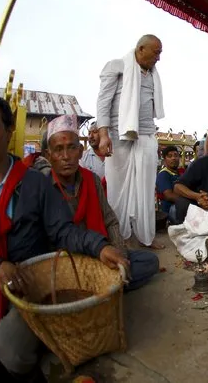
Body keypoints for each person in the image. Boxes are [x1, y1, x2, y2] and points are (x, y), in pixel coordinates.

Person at [0, 96, 128, 381]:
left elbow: (63, 231)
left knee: (9, 351)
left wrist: (101, 248)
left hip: (33, 285)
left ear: (9, 131)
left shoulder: (35, 183)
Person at [46, 115, 159, 291]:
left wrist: (120, 256)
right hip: (69, 261)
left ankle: (106, 284)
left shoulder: (91, 180)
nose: (66, 156)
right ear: (49, 155)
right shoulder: (43, 185)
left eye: (71, 148)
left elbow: (110, 220)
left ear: (80, 151)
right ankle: (107, 286)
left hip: (102, 253)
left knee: (150, 261)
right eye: (59, 150)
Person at [96, 34, 164, 249]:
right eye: (156, 52)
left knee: (145, 189)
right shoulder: (116, 66)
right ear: (141, 48)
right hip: (118, 134)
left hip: (146, 134)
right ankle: (119, 238)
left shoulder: (153, 74)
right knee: (117, 190)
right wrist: (103, 134)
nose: (159, 58)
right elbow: (103, 102)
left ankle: (146, 237)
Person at [156, 146, 181, 224]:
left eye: (176, 155)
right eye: (170, 156)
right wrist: (191, 200)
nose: (173, 158)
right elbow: (169, 196)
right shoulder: (163, 174)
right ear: (164, 160)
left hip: (181, 206)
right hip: (171, 211)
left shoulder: (180, 172)